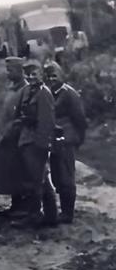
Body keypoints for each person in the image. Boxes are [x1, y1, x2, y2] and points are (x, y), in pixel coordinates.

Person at [13, 59, 57, 225]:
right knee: (38, 178)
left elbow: (47, 121)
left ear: (42, 75)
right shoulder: (27, 91)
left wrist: (42, 145)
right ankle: (50, 217)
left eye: (34, 74)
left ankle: (35, 215)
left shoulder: (44, 93)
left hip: (37, 142)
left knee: (37, 180)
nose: (31, 77)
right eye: (28, 74)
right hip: (26, 139)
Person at [43, 61, 88, 224]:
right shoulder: (47, 93)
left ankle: (68, 213)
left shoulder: (70, 94)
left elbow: (80, 120)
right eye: (48, 76)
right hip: (53, 141)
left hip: (66, 139)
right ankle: (63, 209)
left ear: (61, 76)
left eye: (55, 76)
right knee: (56, 176)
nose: (52, 79)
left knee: (66, 176)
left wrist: (78, 139)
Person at [0, 57, 29, 217]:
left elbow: (23, 116)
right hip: (7, 134)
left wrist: (11, 131)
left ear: (20, 71)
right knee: (9, 170)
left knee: (20, 171)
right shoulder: (13, 88)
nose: (8, 74)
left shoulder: (25, 90)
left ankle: (23, 207)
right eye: (7, 70)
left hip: (17, 137)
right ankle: (15, 204)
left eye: (10, 70)